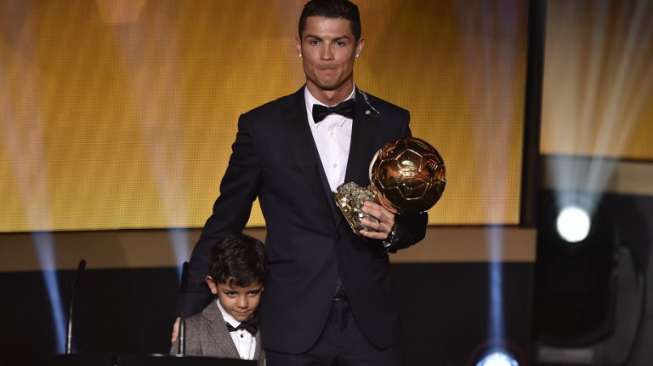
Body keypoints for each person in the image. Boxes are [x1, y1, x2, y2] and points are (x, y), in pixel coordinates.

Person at [178, 0, 427, 365]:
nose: (326, 55)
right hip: (293, 323)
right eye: (315, 42)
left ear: (359, 47)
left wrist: (395, 230)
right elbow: (225, 220)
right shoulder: (262, 128)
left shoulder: (390, 122)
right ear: (298, 45)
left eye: (339, 43)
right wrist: (188, 311)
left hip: (371, 326)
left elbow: (415, 219)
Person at [171, 233, 265, 365]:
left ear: (263, 286)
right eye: (231, 294)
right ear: (212, 285)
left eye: (252, 293)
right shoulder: (191, 330)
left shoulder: (274, 325)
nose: (243, 304)